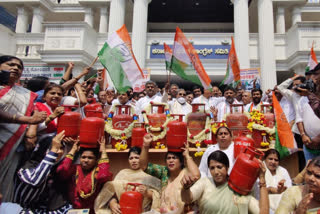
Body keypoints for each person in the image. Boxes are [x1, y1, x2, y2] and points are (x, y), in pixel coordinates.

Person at [0, 55, 47, 202]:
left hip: (13, 147)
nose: (15, 68)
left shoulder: (25, 94)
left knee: (6, 185)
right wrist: (26, 119)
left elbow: (34, 114)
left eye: (19, 67)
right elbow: (30, 117)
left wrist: (31, 133)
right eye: (10, 64)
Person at [181, 150, 269, 214]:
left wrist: (262, 179)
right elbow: (187, 199)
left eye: (219, 167)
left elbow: (263, 212)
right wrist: (185, 188)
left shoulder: (238, 188)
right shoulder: (205, 183)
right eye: (212, 168)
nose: (216, 172)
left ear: (227, 168)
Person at [9, 131, 72, 214]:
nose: (59, 151)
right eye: (55, 148)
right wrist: (53, 151)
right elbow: (36, 180)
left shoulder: (53, 167)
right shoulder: (27, 166)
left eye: (61, 148)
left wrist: (71, 149)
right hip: (21, 209)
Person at [140, 134, 200, 213]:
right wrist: (146, 145)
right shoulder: (164, 172)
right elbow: (144, 166)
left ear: (181, 162)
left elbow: (196, 175)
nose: (171, 160)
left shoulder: (186, 172)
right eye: (168, 158)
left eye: (174, 158)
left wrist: (187, 155)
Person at [94, 147, 161, 214]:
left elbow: (160, 197)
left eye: (137, 157)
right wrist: (112, 203)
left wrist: (147, 193)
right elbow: (112, 193)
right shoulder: (122, 173)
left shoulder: (149, 176)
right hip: (122, 211)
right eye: (131, 158)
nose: (133, 161)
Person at [56, 137, 113, 214]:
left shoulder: (98, 171)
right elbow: (62, 170)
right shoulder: (74, 169)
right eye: (83, 157)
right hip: (72, 210)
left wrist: (103, 152)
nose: (86, 160)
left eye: (90, 158)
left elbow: (104, 176)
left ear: (96, 160)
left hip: (94, 211)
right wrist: (73, 150)